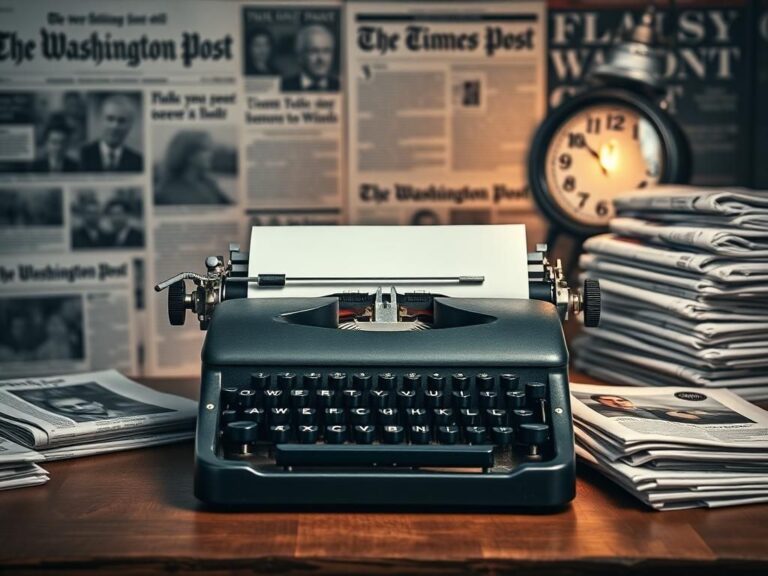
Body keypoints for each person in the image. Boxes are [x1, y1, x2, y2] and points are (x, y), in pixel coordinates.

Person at [154, 131, 231, 205]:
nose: (211, 154)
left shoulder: (210, 185)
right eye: (205, 149)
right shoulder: (164, 193)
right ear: (189, 154)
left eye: (210, 149)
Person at [80, 95, 143, 172]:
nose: (115, 126)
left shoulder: (138, 162)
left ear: (130, 126)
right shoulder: (82, 155)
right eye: (110, 119)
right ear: (101, 121)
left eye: (121, 121)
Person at [281, 24, 339, 91]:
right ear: (299, 56)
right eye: (313, 51)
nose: (321, 59)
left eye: (326, 51)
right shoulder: (284, 87)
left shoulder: (339, 86)